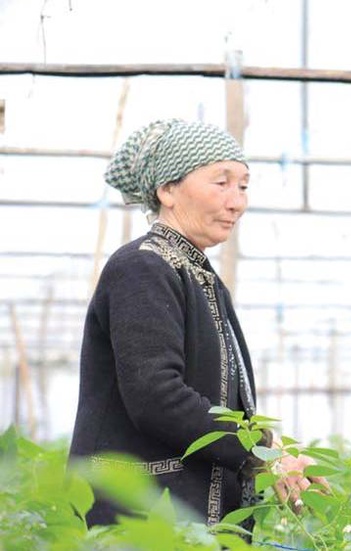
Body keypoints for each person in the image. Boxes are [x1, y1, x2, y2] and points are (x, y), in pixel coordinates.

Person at [69, 118, 325, 528]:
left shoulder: (197, 276)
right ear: (167, 190)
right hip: (140, 519)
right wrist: (264, 450)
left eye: (243, 186)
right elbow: (157, 396)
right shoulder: (143, 268)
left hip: (187, 519)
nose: (237, 202)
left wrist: (273, 454)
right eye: (221, 183)